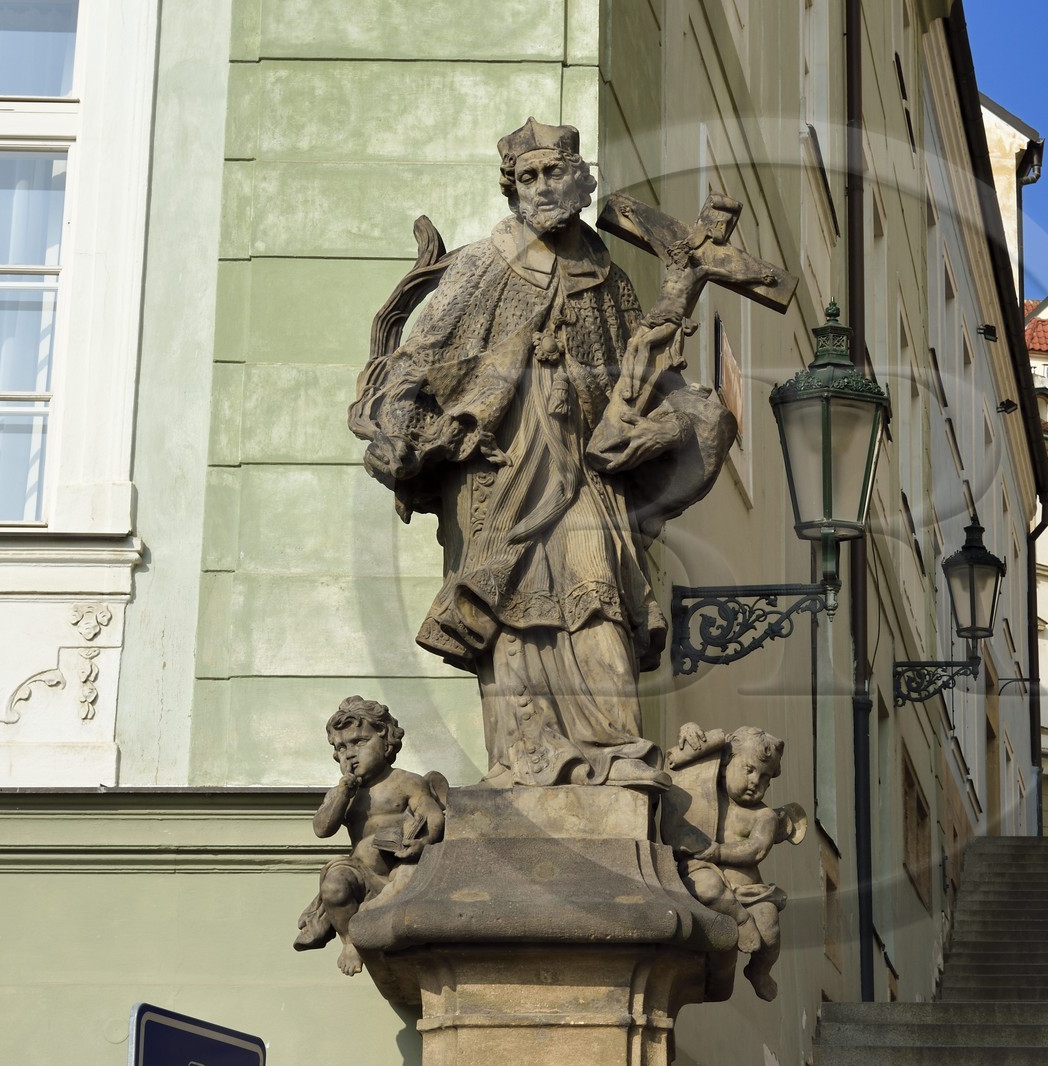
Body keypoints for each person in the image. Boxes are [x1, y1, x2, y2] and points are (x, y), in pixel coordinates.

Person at [350, 119, 735, 791]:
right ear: (512, 190)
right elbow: (422, 355)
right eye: (526, 178)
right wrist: (398, 431)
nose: (539, 188)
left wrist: (685, 419)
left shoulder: (610, 283)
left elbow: (631, 384)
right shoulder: (484, 265)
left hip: (586, 471)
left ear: (580, 181)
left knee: (601, 599)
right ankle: (524, 761)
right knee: (512, 617)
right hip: (499, 467)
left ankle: (616, 753)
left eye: (553, 173)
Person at [294, 697, 447, 975]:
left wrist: (422, 842)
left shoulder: (405, 781)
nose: (349, 754)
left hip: (398, 869)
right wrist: (342, 794)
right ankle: (350, 940)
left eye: (359, 742)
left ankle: (366, 918)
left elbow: (433, 814)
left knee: (409, 879)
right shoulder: (344, 793)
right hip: (361, 873)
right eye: (341, 748)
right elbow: (322, 829)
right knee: (333, 885)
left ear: (385, 739)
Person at [663, 723, 806, 1002]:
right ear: (727, 762)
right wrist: (689, 729)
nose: (756, 782)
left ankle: (759, 971)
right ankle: (740, 921)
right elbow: (683, 758)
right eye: (749, 770)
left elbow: (755, 850)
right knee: (706, 888)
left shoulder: (762, 816)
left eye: (765, 778)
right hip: (702, 870)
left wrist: (717, 853)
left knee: (770, 926)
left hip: (749, 891)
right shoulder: (705, 796)